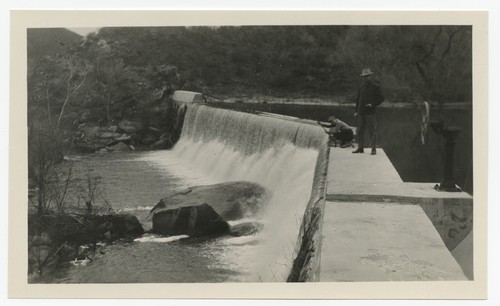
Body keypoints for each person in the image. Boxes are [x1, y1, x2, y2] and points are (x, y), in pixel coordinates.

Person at [353, 68, 385, 155]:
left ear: (370, 76)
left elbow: (381, 98)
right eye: (364, 76)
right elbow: (358, 100)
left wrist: (372, 104)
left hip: (370, 112)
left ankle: (373, 149)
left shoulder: (375, 86)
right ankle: (360, 148)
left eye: (367, 76)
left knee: (372, 130)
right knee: (360, 130)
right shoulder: (361, 87)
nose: (365, 78)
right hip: (360, 112)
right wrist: (356, 110)